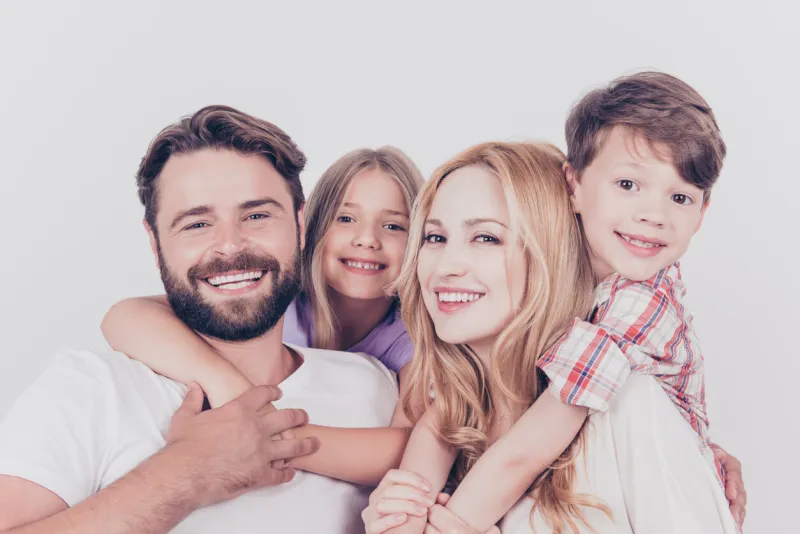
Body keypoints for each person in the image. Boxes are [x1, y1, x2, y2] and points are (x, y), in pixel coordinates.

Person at [0, 105, 398, 533]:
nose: (229, 245)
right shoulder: (88, 390)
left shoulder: (371, 386)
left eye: (257, 215)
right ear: (155, 243)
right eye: (196, 224)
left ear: (300, 225)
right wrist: (186, 474)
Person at [360, 140, 743, 533]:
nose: (447, 266)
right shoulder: (452, 418)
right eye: (435, 238)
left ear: (550, 253)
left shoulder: (631, 405)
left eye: (486, 238)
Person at [101, 145, 423, 414]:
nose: (367, 239)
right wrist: (230, 388)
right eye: (346, 219)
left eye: (394, 226)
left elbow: (399, 444)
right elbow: (124, 318)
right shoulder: (279, 292)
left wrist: (269, 432)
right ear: (307, 226)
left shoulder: (411, 334)